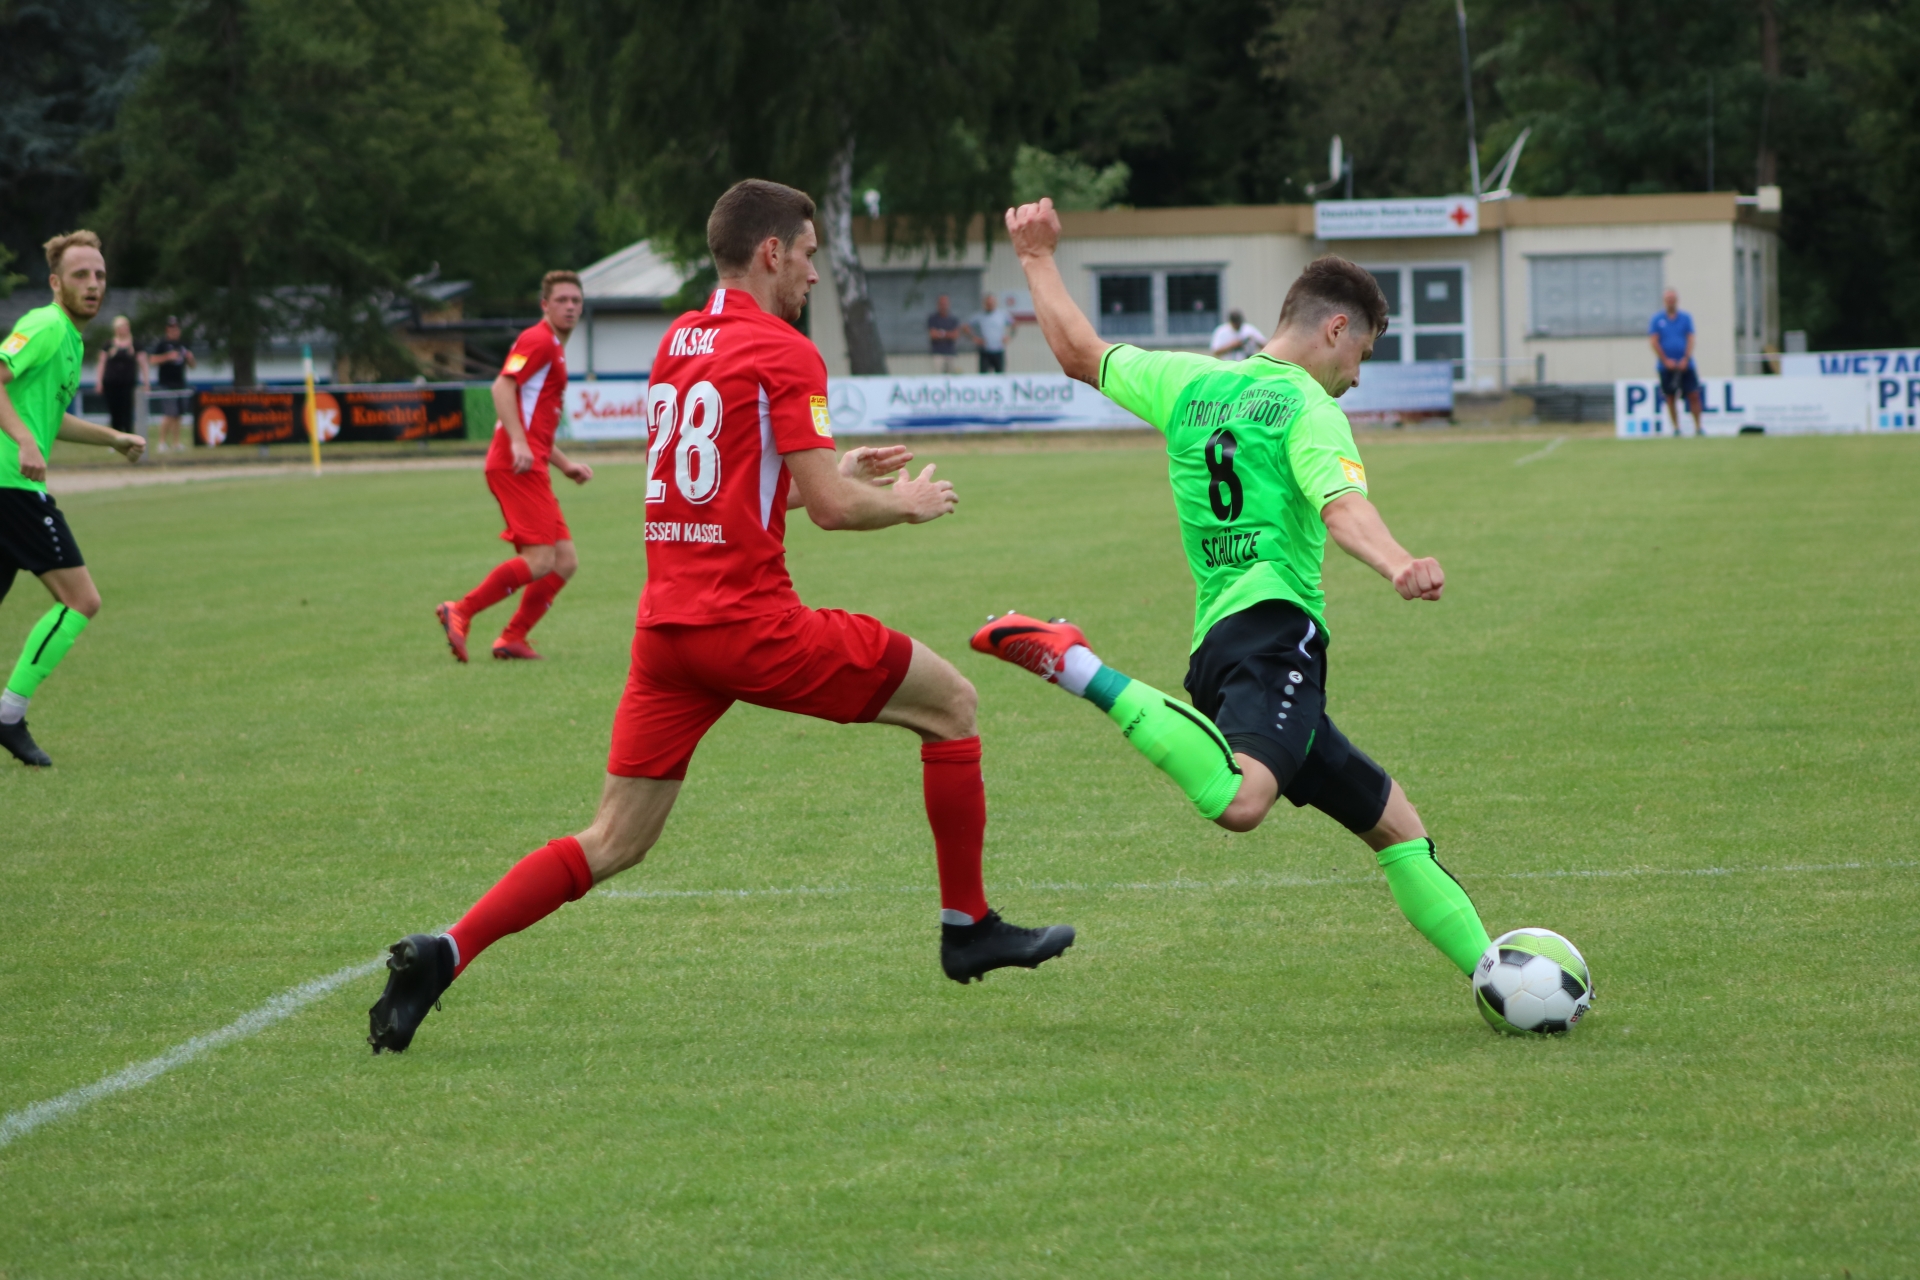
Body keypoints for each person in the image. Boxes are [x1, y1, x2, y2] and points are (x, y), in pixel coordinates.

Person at [370, 179, 1073, 1053]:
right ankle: (967, 927)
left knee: (613, 839)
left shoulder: (676, 341)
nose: (813, 273)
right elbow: (832, 512)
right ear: (772, 251)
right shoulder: (785, 351)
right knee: (954, 705)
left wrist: (832, 469)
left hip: (668, 635)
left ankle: (446, 950)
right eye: (808, 254)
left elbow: (733, 489)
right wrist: (903, 502)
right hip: (752, 629)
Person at [970, 197, 1493, 986]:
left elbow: (1080, 353)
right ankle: (1078, 666)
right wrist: (1397, 563)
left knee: (1396, 824)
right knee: (1243, 801)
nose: (1356, 377)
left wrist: (1036, 259)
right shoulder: (1307, 405)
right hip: (1277, 633)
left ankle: (1494, 970)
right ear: (1336, 329)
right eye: (1362, 354)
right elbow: (1341, 506)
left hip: (1218, 643)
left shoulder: (1190, 382)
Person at [0, 230, 147, 768]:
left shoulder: (72, 339)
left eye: (100, 275)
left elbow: (49, 415)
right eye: (81, 274)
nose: (93, 284)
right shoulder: (43, 325)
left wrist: (113, 438)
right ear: (55, 283)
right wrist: (23, 440)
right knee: (81, 600)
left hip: (11, 486)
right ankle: (8, 714)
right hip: (11, 487)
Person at [435, 271, 594, 662]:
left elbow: (535, 425)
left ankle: (512, 638)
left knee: (564, 561)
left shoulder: (553, 347)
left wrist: (565, 465)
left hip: (531, 462)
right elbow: (501, 387)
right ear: (545, 305)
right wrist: (519, 443)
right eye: (562, 300)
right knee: (540, 560)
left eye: (576, 300)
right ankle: (461, 610)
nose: (570, 306)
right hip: (516, 464)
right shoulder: (537, 340)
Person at [1649, 288, 1703, 437]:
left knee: (1693, 394)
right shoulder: (1657, 319)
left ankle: (1698, 427)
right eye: (1668, 299)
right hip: (1666, 366)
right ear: (1664, 301)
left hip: (1686, 365)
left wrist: (1686, 358)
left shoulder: (1685, 318)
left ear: (1677, 300)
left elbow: (1691, 338)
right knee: (1670, 397)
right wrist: (1666, 360)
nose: (1670, 302)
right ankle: (1676, 428)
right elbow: (1653, 341)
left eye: (1673, 299)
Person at [147, 317, 194, 453]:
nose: (174, 331)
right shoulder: (162, 344)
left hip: (180, 382)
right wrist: (168, 357)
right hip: (166, 383)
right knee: (169, 413)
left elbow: (192, 365)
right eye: (171, 328)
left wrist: (190, 358)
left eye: (176, 328)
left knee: (178, 414)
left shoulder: (183, 344)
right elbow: (152, 360)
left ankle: (176, 443)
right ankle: (161, 442)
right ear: (167, 330)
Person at [94, 315, 145, 438]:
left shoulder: (135, 344)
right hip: (111, 383)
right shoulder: (108, 345)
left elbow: (143, 363)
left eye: (126, 326)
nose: (124, 329)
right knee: (114, 411)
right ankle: (115, 438)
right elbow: (101, 363)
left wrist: (146, 381)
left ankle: (129, 436)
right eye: (121, 326)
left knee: (127, 410)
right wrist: (99, 382)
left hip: (128, 383)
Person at [963, 293, 1015, 374]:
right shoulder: (979, 316)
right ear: (984, 304)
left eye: (991, 303)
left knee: (1000, 375)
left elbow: (1014, 324)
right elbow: (965, 327)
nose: (990, 305)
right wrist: (974, 338)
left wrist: (1009, 336)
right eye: (988, 303)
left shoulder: (1002, 315)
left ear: (995, 303)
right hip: (985, 351)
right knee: (983, 376)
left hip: (998, 350)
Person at [927, 294, 962, 375]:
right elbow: (933, 335)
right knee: (938, 377)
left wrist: (941, 333)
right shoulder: (933, 319)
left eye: (945, 304)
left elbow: (955, 335)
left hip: (950, 353)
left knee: (952, 376)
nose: (943, 306)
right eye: (941, 304)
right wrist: (948, 334)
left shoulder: (953, 319)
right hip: (937, 354)